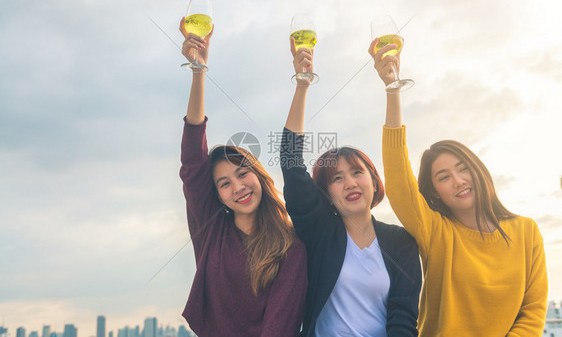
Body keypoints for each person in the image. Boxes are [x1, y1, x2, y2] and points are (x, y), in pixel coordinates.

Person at [372, 39, 548, 336]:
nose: (458, 181)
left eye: (463, 169)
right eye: (443, 177)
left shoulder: (526, 231)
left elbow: (532, 313)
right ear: (434, 193)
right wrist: (392, 90)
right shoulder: (437, 233)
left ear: (479, 172)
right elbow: (400, 182)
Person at [280, 38, 422, 337]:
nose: (350, 183)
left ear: (373, 180)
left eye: (357, 172)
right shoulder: (320, 232)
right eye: (337, 178)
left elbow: (404, 319)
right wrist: (302, 84)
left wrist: (391, 88)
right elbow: (292, 162)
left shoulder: (401, 243)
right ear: (327, 194)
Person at [178, 19, 307, 337]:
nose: (237, 187)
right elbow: (193, 161)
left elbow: (278, 329)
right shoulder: (211, 230)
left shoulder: (290, 248)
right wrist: (199, 73)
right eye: (224, 184)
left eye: (242, 173)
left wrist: (302, 83)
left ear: (259, 175)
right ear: (217, 196)